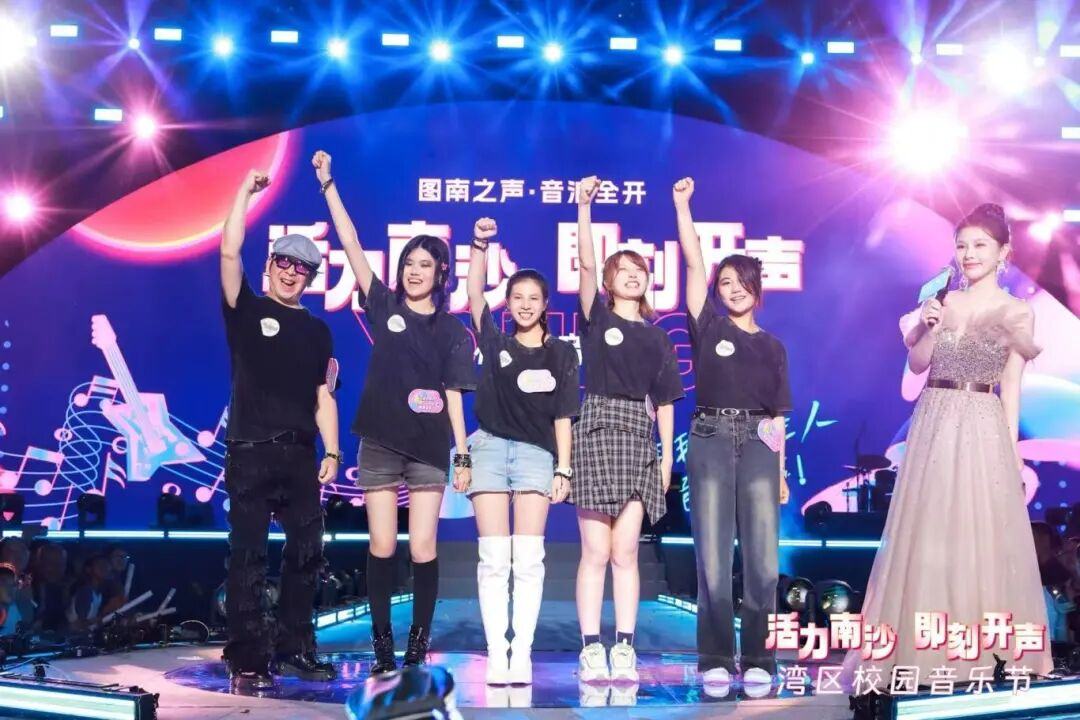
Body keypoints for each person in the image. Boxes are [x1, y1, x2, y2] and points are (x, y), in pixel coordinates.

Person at [844, 203, 1053, 683]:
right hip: (934, 421)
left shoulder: (1017, 312)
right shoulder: (943, 300)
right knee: (928, 535)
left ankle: (979, 652)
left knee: (978, 536)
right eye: (962, 245)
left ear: (1004, 252)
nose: (969, 254)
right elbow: (919, 364)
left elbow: (1011, 389)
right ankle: (923, 651)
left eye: (980, 245)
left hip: (982, 425)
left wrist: (1012, 456)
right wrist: (926, 323)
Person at [315, 150, 476, 675]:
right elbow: (350, 243)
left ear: (441, 272)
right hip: (380, 442)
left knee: (423, 545)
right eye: (408, 263)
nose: (414, 271)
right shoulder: (383, 304)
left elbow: (455, 393)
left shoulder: (452, 331)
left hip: (428, 448)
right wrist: (328, 185)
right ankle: (382, 645)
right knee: (382, 544)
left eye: (425, 264)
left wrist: (461, 453)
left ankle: (417, 644)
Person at [220, 169, 342, 689]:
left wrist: (333, 451)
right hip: (250, 451)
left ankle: (295, 649)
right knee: (248, 557)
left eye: (303, 268)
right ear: (269, 265)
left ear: (311, 278)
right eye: (285, 263)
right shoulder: (246, 309)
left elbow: (323, 396)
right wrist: (244, 193)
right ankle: (247, 656)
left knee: (307, 556)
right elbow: (229, 253)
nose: (292, 273)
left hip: (300, 456)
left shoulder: (317, 330)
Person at [672, 177, 791, 686]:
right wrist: (683, 206)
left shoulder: (773, 346)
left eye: (742, 281)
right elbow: (693, 262)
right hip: (710, 439)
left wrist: (779, 473)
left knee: (763, 564)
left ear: (757, 288)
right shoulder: (709, 327)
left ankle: (760, 659)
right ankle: (716, 659)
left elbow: (778, 418)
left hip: (761, 444)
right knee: (714, 562)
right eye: (725, 282)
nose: (733, 288)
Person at [572, 176, 684, 682]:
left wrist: (666, 457)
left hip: (639, 440)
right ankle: (590, 648)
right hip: (597, 431)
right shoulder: (596, 319)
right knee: (595, 551)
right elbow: (586, 263)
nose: (633, 276)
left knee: (625, 552)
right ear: (609, 281)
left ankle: (624, 647)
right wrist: (584, 207)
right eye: (624, 270)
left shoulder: (658, 339)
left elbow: (666, 400)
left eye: (640, 270)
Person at [461, 217, 580, 685]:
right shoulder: (495, 343)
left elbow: (564, 415)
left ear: (546, 304)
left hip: (536, 455)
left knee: (528, 560)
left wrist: (564, 469)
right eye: (517, 297)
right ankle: (497, 653)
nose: (525, 304)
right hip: (489, 450)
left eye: (534, 298)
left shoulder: (562, 354)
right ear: (507, 303)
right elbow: (473, 295)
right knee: (494, 559)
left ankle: (522, 653)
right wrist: (479, 245)